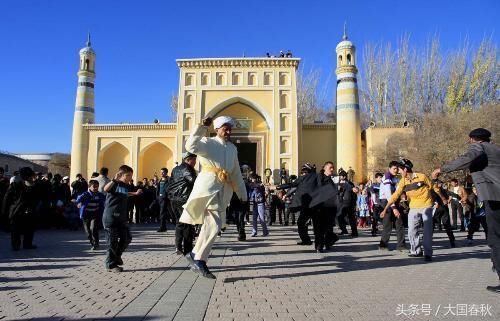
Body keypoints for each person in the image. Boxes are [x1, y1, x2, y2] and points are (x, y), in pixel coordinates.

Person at [179, 116, 247, 279]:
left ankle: (194, 253)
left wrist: (242, 193)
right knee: (215, 224)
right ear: (217, 129)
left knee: (213, 224)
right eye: (225, 128)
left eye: (230, 128)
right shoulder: (208, 143)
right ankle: (200, 259)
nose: (228, 131)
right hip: (208, 187)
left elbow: (236, 172)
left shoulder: (232, 148)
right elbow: (190, 145)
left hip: (224, 190)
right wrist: (202, 127)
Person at [433, 128, 500, 293]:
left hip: (494, 197)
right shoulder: (497, 149)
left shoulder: (478, 147)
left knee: (495, 238)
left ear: (472, 139)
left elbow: (467, 159)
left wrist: (442, 169)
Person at [381, 159, 441, 262]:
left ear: (405, 169)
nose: (398, 172)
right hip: (413, 207)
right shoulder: (403, 181)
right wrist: (386, 208)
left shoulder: (422, 177)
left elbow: (434, 187)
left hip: (426, 206)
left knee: (427, 232)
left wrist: (441, 199)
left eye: (399, 170)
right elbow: (395, 195)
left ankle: (428, 253)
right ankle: (416, 251)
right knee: (412, 230)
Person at [102, 165, 143, 272]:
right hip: (110, 217)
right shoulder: (114, 183)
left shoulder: (125, 185)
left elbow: (124, 194)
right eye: (128, 175)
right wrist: (114, 180)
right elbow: (105, 189)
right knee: (112, 242)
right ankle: (110, 265)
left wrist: (135, 193)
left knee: (127, 238)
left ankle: (116, 257)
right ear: (120, 174)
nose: (130, 177)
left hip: (121, 218)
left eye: (131, 175)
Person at [277, 163, 318, 246]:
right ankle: (319, 242)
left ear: (307, 171)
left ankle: (308, 240)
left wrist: (279, 187)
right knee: (316, 224)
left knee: (302, 223)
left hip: (307, 205)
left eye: (304, 172)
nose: (302, 174)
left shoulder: (303, 178)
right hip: (315, 204)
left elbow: (292, 185)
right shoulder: (317, 177)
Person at [166, 152, 197, 255]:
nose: (195, 162)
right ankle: (188, 250)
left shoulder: (175, 169)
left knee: (179, 223)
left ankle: (178, 247)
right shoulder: (188, 169)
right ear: (188, 159)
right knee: (187, 224)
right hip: (184, 199)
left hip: (173, 199)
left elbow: (171, 183)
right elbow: (193, 181)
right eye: (194, 160)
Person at [2, 167, 38, 250]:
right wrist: (4, 212)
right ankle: (15, 245)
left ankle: (27, 244)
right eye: (30, 176)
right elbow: (7, 199)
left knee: (29, 228)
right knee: (16, 229)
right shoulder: (15, 185)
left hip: (29, 210)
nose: (32, 178)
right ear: (25, 176)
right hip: (17, 211)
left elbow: (36, 198)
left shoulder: (34, 185)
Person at [378, 161, 405, 251]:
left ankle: (401, 245)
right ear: (389, 169)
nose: (396, 170)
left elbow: (398, 190)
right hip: (386, 202)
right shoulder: (387, 177)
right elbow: (388, 194)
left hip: (394, 201)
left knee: (399, 223)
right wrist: (394, 208)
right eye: (394, 169)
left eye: (397, 169)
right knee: (387, 224)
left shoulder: (395, 178)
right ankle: (383, 245)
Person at [76, 179, 105, 250]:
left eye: (97, 187)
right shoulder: (85, 194)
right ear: (89, 187)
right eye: (94, 187)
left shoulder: (100, 195)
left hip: (95, 214)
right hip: (86, 215)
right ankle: (92, 242)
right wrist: (78, 203)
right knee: (88, 232)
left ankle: (96, 243)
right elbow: (78, 200)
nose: (96, 188)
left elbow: (106, 200)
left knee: (93, 228)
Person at [431, 180, 456, 248]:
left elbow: (449, 196)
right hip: (439, 209)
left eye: (440, 184)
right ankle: (452, 240)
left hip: (440, 209)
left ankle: (452, 240)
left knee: (445, 225)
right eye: (439, 183)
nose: (440, 185)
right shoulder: (435, 190)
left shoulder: (437, 190)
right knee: (433, 225)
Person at [337, 170, 358, 237]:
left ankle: (354, 232)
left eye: (340, 176)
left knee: (350, 218)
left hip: (348, 203)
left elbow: (354, 194)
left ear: (344, 176)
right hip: (342, 203)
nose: (339, 177)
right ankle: (344, 230)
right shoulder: (339, 183)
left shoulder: (349, 184)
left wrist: (354, 203)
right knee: (340, 217)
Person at [157, 168, 170, 232]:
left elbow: (169, 188)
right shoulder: (160, 180)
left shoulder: (169, 180)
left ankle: (162, 227)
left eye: (163, 172)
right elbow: (158, 189)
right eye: (161, 172)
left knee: (162, 213)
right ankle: (163, 226)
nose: (161, 173)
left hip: (165, 198)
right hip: (160, 198)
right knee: (162, 213)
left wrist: (166, 195)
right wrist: (157, 196)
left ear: (166, 173)